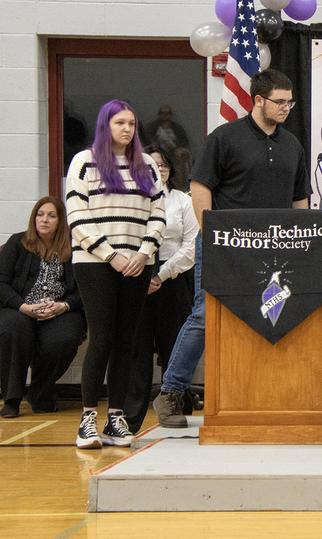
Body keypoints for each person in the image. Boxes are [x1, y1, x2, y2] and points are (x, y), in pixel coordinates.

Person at [153, 69, 312, 428]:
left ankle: (256, 393)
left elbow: (299, 197)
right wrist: (212, 232)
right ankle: (171, 393)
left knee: (269, 317)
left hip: (274, 248)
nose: (287, 107)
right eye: (280, 101)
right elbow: (200, 186)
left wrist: (302, 241)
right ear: (258, 100)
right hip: (224, 243)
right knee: (205, 317)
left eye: (290, 101)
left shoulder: (292, 144)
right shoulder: (225, 137)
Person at [66, 100, 165, 448]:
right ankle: (88, 419)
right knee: (103, 337)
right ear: (105, 125)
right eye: (120, 122)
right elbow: (77, 217)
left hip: (137, 262)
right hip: (95, 264)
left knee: (128, 341)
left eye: (132, 123)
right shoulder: (85, 161)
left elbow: (158, 212)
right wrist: (111, 255)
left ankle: (117, 419)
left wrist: (144, 252)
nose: (127, 129)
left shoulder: (147, 165)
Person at [123, 147, 199, 433]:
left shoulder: (183, 201)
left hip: (174, 280)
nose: (161, 170)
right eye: (155, 165)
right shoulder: (131, 201)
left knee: (174, 348)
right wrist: (143, 276)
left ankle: (179, 410)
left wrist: (161, 276)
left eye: (165, 165)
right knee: (137, 352)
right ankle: (129, 420)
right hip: (136, 277)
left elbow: (191, 245)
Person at [0, 197, 86, 418]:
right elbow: (1, 282)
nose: (44, 220)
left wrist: (64, 306)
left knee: (65, 337)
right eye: (40, 214)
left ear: (61, 221)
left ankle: (40, 392)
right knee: (13, 328)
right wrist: (23, 307)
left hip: (58, 310)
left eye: (51, 215)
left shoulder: (74, 246)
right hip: (20, 308)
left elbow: (84, 289)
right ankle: (11, 398)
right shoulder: (17, 243)